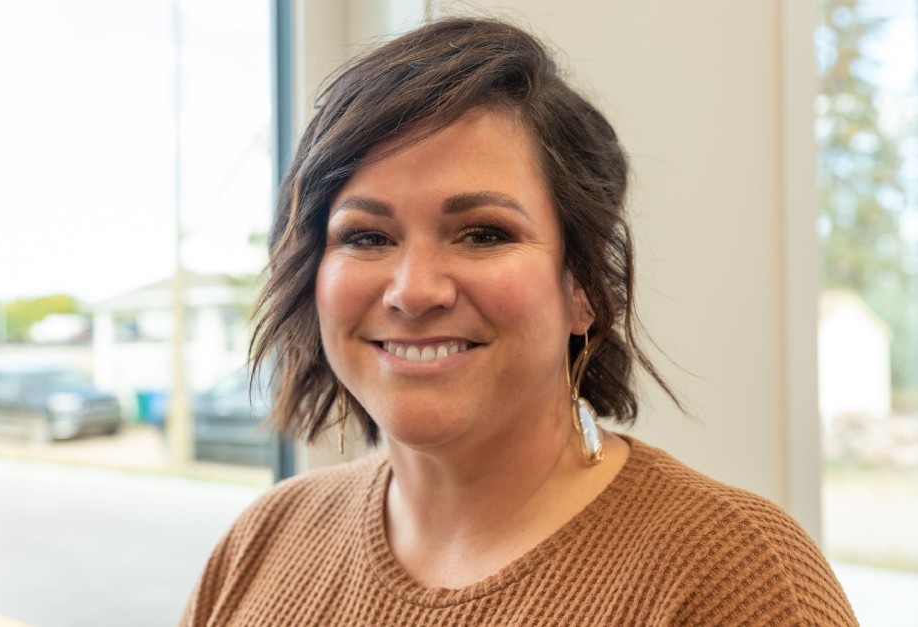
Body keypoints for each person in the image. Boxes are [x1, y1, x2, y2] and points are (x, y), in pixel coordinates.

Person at [180, 17, 857, 626]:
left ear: (586, 285)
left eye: (482, 234)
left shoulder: (739, 577)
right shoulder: (262, 543)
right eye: (366, 236)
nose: (414, 291)